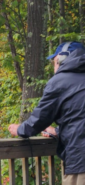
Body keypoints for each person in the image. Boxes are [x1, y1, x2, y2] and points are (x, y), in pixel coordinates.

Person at [8, 41, 85, 185]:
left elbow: (39, 119)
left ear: (61, 59)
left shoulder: (59, 81)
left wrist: (20, 129)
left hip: (80, 161)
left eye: (55, 62)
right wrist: (58, 131)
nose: (54, 66)